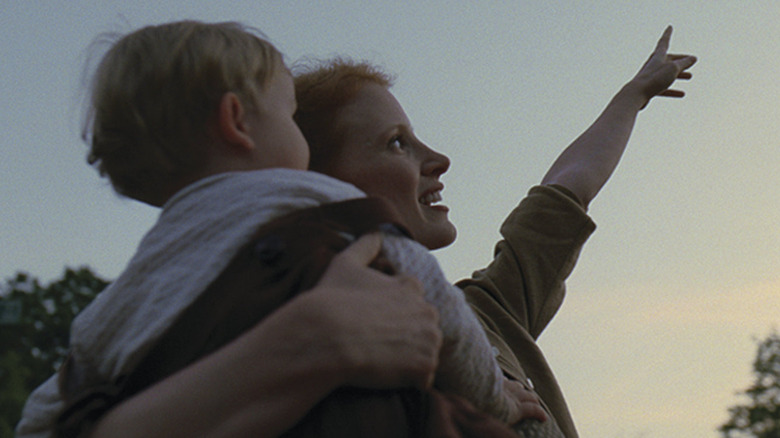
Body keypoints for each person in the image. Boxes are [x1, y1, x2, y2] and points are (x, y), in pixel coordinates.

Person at [15, 20, 541, 438]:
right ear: (236, 121)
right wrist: (493, 397)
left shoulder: (132, 289)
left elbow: (41, 418)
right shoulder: (315, 204)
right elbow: (437, 302)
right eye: (289, 116)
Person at [291, 25, 696, 437]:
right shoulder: (313, 363)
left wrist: (633, 96)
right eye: (397, 143)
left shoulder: (486, 316)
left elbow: (565, 192)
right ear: (318, 186)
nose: (439, 159)